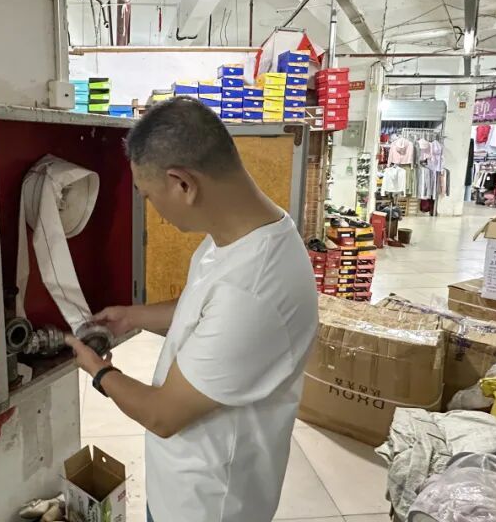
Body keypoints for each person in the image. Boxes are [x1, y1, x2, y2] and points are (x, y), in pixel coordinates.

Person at [66, 97, 318, 522]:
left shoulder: (253, 289)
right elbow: (201, 311)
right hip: (183, 485)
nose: (153, 210)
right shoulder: (240, 237)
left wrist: (98, 371)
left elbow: (163, 414)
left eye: (148, 195)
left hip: (209, 504)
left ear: (183, 183)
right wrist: (132, 316)